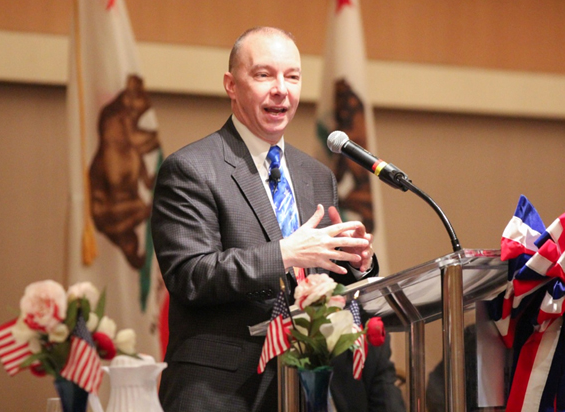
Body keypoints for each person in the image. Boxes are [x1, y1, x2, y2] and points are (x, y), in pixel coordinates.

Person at [151, 27, 404, 411]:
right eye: (264, 74)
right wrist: (286, 252)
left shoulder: (315, 175)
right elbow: (191, 276)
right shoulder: (191, 169)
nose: (281, 88)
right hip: (221, 391)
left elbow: (320, 279)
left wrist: (355, 264)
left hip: (304, 385)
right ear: (231, 85)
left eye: (293, 76)